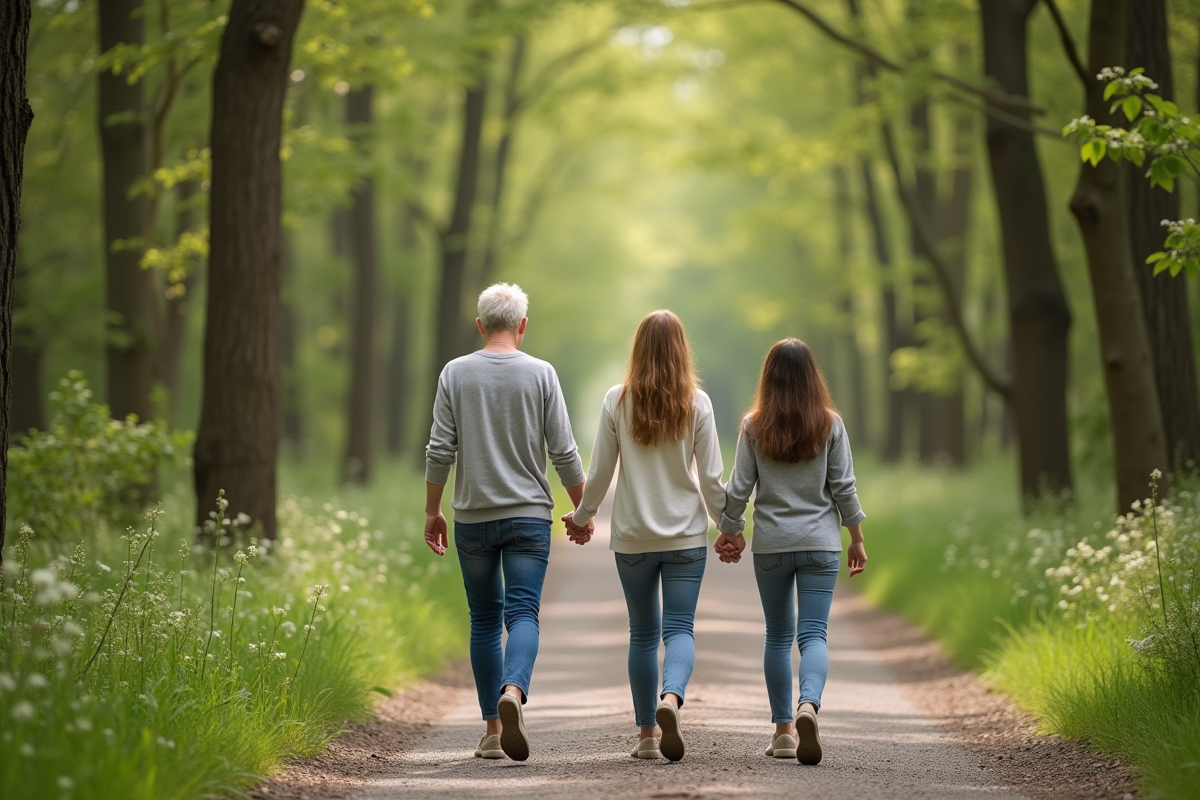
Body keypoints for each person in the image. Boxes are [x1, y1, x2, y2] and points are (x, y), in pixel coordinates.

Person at [424, 283, 592, 762]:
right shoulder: (541, 373)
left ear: (480, 325)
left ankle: (493, 732)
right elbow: (564, 451)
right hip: (528, 518)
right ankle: (514, 690)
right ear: (522, 326)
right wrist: (584, 511)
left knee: (483, 620)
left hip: (473, 519)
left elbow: (440, 449)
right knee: (522, 614)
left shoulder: (455, 372)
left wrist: (433, 511)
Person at [564, 310, 726, 762]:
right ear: (682, 350)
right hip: (685, 539)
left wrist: (582, 517)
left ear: (638, 349)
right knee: (679, 629)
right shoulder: (698, 402)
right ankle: (671, 698)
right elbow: (712, 479)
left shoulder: (617, 400)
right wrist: (728, 526)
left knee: (642, 634)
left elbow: (600, 472)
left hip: (633, 538)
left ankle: (647, 737)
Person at [714, 338, 867, 766]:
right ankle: (808, 705)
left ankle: (783, 732)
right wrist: (856, 537)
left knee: (778, 636)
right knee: (813, 634)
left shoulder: (753, 425)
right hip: (820, 545)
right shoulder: (830, 424)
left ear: (768, 378)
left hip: (773, 547)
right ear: (812, 377)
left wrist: (729, 530)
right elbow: (844, 487)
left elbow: (739, 487)